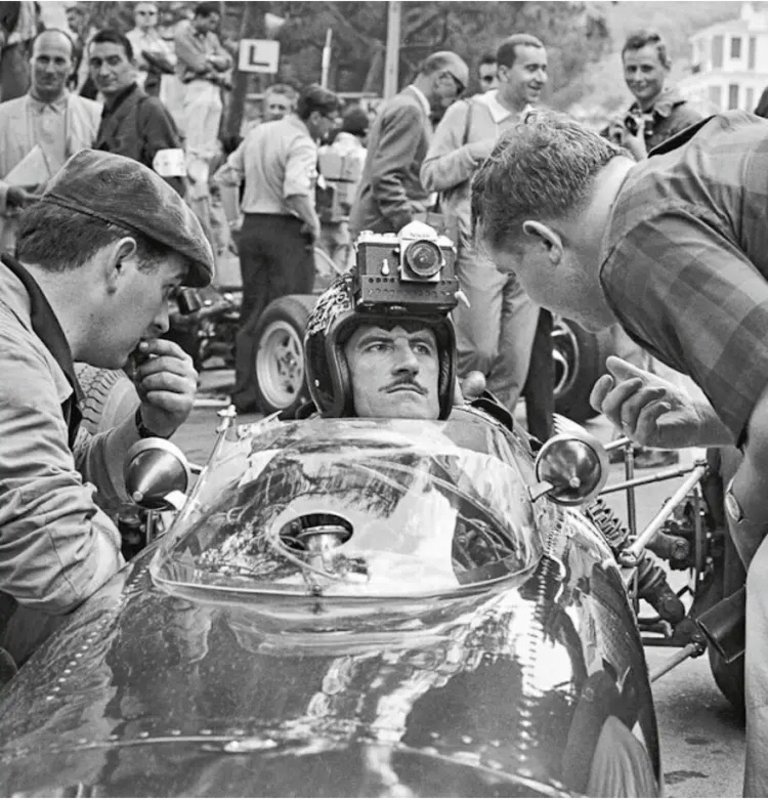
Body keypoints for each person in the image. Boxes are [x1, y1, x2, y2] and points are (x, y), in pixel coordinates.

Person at [469, 108, 768, 797]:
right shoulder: (691, 163)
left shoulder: (631, 239)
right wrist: (712, 420)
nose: (534, 302)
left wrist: (744, 514)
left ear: (546, 241)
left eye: (517, 276)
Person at [0, 148, 212, 665]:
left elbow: (60, 468)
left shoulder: (24, 330)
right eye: (166, 290)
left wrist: (149, 426)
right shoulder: (12, 358)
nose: (163, 321)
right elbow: (64, 568)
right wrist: (105, 535)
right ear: (118, 261)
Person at [421, 34, 552, 440]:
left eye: (544, 69)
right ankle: (451, 435)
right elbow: (429, 174)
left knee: (514, 362)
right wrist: (477, 152)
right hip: (479, 249)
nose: (540, 77)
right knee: (478, 350)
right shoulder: (466, 112)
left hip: (529, 255)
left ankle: (492, 446)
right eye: (531, 68)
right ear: (502, 72)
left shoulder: (541, 123)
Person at [213, 83, 340, 413]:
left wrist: (232, 221)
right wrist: (312, 224)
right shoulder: (301, 141)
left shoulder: (259, 132)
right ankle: (285, 394)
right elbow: (295, 190)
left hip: (253, 227)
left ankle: (244, 394)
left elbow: (225, 175)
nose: (332, 127)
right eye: (330, 120)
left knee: (253, 313)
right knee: (293, 312)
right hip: (286, 231)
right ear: (315, 117)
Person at [348, 50, 468, 239]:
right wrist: (408, 223)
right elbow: (386, 175)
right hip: (384, 230)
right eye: (459, 88)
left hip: (379, 226)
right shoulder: (409, 110)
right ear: (442, 78)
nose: (457, 98)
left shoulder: (403, 104)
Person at [0, 29, 101, 253]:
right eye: (43, 59)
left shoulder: (95, 114)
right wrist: (8, 193)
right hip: (13, 240)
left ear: (73, 65)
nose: (49, 69)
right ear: (30, 60)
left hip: (77, 242)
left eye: (59, 61)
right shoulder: (3, 116)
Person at [88, 29, 185, 196]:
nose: (103, 71)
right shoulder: (106, 112)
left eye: (113, 61)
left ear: (133, 65)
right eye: (96, 63)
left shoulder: (151, 110)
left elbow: (174, 186)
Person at [603, 30, 702, 161]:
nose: (637, 78)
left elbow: (690, 181)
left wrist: (639, 155)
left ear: (667, 67)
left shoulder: (689, 124)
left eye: (646, 68)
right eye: (631, 69)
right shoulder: (622, 125)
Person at [174, 1, 232, 164]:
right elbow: (197, 64)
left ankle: (204, 177)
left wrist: (209, 59)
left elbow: (227, 60)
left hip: (213, 86)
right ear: (199, 17)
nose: (213, 26)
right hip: (194, 85)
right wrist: (213, 62)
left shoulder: (211, 37)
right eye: (210, 21)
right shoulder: (182, 34)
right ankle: (192, 175)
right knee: (194, 135)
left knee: (209, 138)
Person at [316, 104, 369, 273]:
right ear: (365, 131)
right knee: (342, 278)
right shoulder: (363, 155)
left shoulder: (322, 151)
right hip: (349, 220)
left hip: (321, 218)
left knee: (322, 274)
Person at [126, 1, 176, 103]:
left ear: (157, 17)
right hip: (134, 86)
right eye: (142, 13)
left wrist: (151, 58)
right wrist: (158, 60)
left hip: (158, 87)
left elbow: (172, 62)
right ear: (135, 16)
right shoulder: (127, 39)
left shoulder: (159, 41)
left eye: (151, 13)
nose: (147, 17)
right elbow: (137, 62)